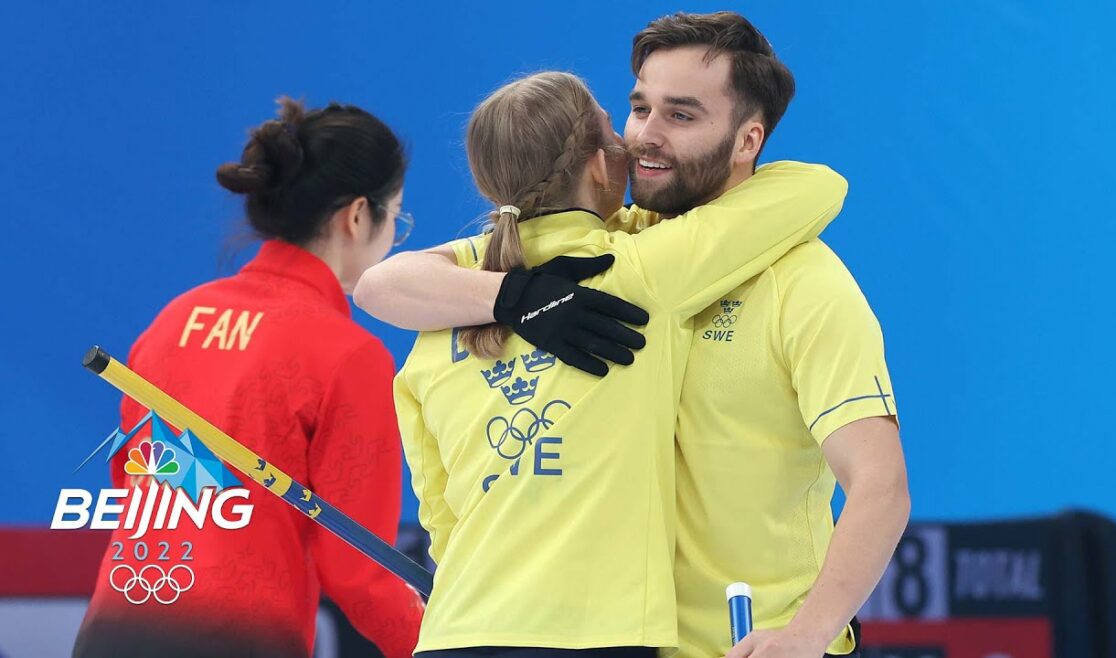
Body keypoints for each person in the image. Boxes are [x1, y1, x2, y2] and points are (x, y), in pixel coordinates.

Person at [355, 12, 910, 658]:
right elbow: (385, 284)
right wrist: (515, 297)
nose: (644, 135)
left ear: (746, 140)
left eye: (681, 115)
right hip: (615, 644)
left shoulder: (803, 282)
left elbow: (881, 485)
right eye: (638, 107)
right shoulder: (603, 253)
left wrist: (807, 636)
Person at [73, 97, 423, 658]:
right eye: (397, 217)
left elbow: (137, 483)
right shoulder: (348, 354)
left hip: (113, 630)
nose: (394, 236)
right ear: (358, 216)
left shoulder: (173, 321)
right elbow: (358, 567)